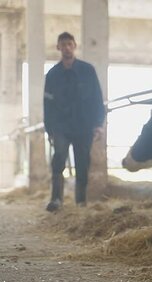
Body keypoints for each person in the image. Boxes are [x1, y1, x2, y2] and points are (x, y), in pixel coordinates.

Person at [43, 32, 105, 212]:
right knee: (59, 159)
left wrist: (99, 124)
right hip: (61, 127)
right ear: (58, 47)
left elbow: (97, 99)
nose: (66, 47)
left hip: (84, 125)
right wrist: (50, 129)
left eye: (69, 44)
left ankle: (81, 202)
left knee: (83, 163)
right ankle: (56, 199)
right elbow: (48, 104)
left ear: (74, 46)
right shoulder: (52, 75)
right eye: (63, 44)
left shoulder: (88, 70)